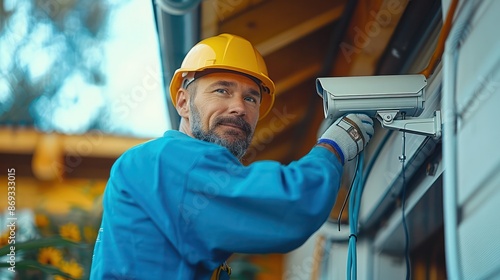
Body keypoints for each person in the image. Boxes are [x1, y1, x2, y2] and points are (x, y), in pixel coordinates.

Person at [90, 33, 374, 279]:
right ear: (183, 102)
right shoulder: (170, 160)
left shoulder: (156, 164)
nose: (239, 107)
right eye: (222, 90)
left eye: (251, 98)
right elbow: (289, 206)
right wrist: (333, 148)